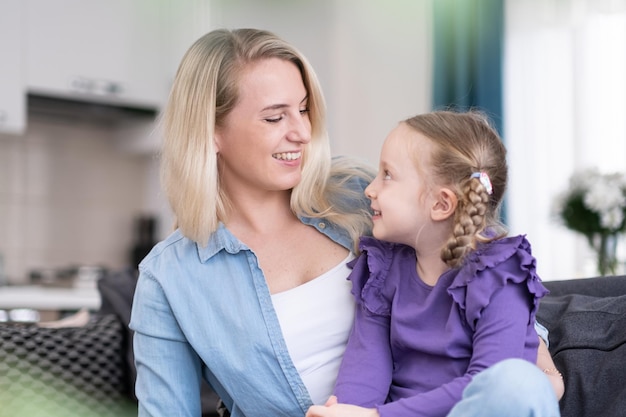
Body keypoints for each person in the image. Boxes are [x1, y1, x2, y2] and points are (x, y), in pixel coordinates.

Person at [128, 28, 562, 417]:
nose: (301, 131)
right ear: (210, 131)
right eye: (275, 117)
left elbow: (477, 265)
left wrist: (533, 375)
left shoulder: (358, 193)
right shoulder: (170, 279)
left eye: (304, 109)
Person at [306, 111, 562, 417]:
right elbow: (363, 374)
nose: (370, 189)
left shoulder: (502, 274)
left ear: (441, 204)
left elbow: (489, 385)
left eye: (387, 175)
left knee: (518, 382)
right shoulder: (383, 269)